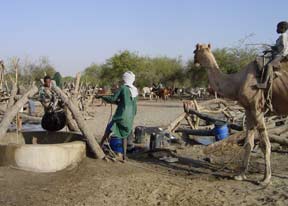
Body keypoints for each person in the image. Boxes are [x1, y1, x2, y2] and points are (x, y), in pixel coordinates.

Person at [97, 71, 138, 160]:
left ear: (125, 79)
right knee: (124, 135)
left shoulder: (123, 88)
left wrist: (101, 96)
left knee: (108, 130)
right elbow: (127, 103)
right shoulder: (135, 90)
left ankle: (98, 148)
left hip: (121, 116)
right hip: (130, 116)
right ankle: (124, 156)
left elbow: (113, 99)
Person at [257, 21, 288, 89]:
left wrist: (276, 52)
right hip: (279, 53)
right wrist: (270, 49)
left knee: (269, 65)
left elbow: (284, 47)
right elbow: (278, 47)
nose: (276, 29)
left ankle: (264, 83)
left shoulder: (284, 36)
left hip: (281, 55)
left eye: (278, 28)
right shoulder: (281, 37)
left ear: (282, 28)